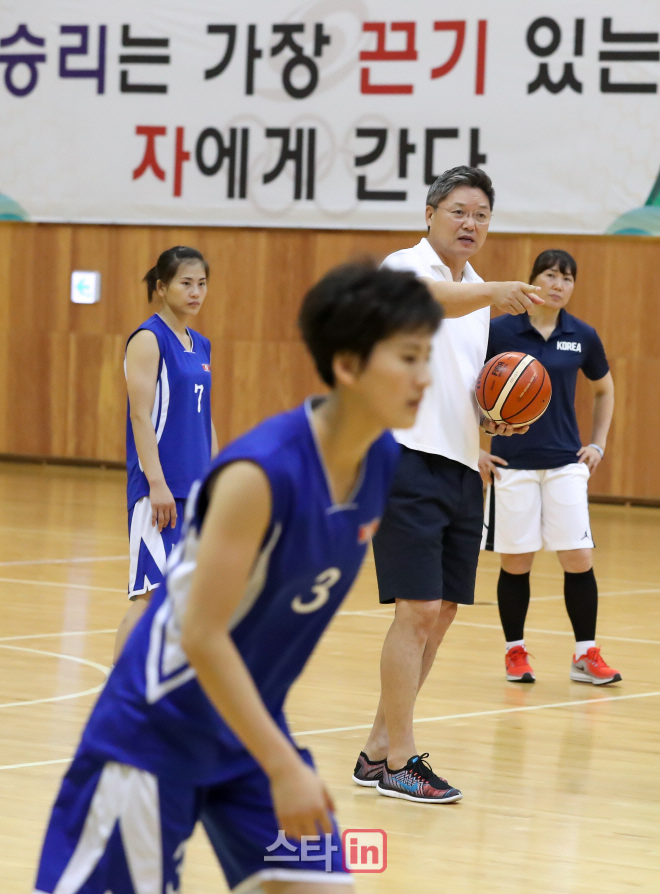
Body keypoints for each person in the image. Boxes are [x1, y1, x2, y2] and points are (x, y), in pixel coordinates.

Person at [33, 263, 442, 894]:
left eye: (428, 356)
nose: (426, 377)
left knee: (322, 884)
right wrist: (283, 765)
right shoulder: (262, 473)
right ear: (348, 366)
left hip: (247, 727)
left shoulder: (381, 462)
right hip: (156, 731)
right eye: (409, 357)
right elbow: (200, 632)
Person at [354, 165, 545, 803]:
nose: (472, 223)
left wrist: (491, 420)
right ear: (430, 213)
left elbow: (462, 382)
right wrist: (497, 290)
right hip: (405, 457)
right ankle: (404, 760)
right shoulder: (405, 269)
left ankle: (379, 751)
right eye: (460, 211)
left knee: (444, 612)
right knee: (417, 609)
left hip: (463, 464)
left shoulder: (472, 298)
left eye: (482, 215)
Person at [479, 249, 620, 685]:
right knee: (516, 563)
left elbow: (604, 391)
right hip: (511, 464)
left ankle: (585, 654)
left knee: (578, 558)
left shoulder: (582, 335)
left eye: (568, 278)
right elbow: (467, 388)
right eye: (551, 275)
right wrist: (476, 448)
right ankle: (515, 652)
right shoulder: (500, 331)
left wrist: (597, 443)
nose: (559, 284)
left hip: (565, 464)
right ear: (534, 279)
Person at [113, 246, 217, 663]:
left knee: (184, 597)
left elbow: (204, 418)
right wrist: (155, 483)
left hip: (194, 486)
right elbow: (140, 415)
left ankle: (158, 694)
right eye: (185, 283)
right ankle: (115, 699)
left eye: (202, 284)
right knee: (150, 593)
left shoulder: (202, 345)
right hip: (160, 489)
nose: (195, 292)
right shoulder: (148, 339)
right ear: (161, 287)